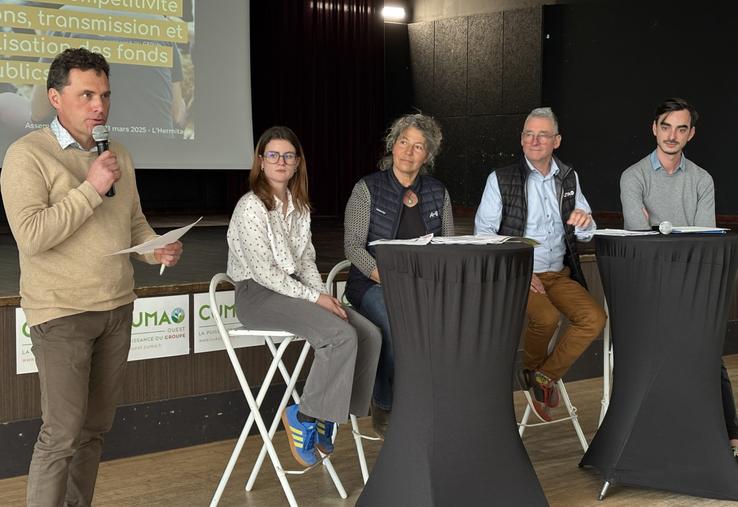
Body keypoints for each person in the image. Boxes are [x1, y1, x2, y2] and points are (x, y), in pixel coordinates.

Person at [0, 48, 183, 507]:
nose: (99, 105)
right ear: (55, 99)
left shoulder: (116, 151)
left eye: (104, 94)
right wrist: (91, 188)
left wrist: (156, 244)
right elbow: (33, 236)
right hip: (61, 312)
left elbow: (134, 222)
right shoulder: (26, 155)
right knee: (61, 435)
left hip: (117, 308)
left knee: (94, 432)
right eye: (86, 95)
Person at [227, 126, 381, 467]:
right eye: (273, 155)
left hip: (295, 291)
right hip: (258, 295)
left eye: (288, 155)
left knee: (369, 333)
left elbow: (306, 261)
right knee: (340, 335)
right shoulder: (251, 206)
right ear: (260, 161)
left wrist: (324, 296)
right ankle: (306, 416)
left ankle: (329, 416)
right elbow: (265, 272)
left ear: (298, 163)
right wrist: (314, 300)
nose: (281, 161)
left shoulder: (298, 205)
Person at [620, 97, 738, 461]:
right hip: (649, 285)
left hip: (692, 282)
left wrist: (659, 228)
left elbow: (702, 241)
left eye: (681, 128)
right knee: (653, 355)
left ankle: (730, 434)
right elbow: (639, 240)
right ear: (654, 128)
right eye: (666, 126)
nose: (672, 135)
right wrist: (666, 232)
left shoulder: (702, 179)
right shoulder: (633, 176)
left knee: (706, 354)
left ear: (691, 135)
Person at [475, 107, 606, 421]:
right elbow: (483, 236)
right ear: (521, 139)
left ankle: (540, 377)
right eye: (528, 134)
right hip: (519, 274)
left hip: (558, 273)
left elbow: (587, 231)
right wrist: (521, 270)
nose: (534, 140)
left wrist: (585, 221)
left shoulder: (569, 178)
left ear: (556, 141)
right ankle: (536, 375)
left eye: (542, 135)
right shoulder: (501, 178)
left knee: (594, 318)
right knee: (546, 318)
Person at [344, 113, 454, 437]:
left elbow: (448, 247)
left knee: (450, 323)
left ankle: (432, 405)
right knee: (395, 324)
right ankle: (386, 406)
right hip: (373, 284)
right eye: (404, 142)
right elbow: (353, 247)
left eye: (418, 147)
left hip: (424, 285)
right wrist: (384, 276)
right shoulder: (367, 189)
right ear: (393, 145)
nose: (408, 151)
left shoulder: (438, 192)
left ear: (427, 156)